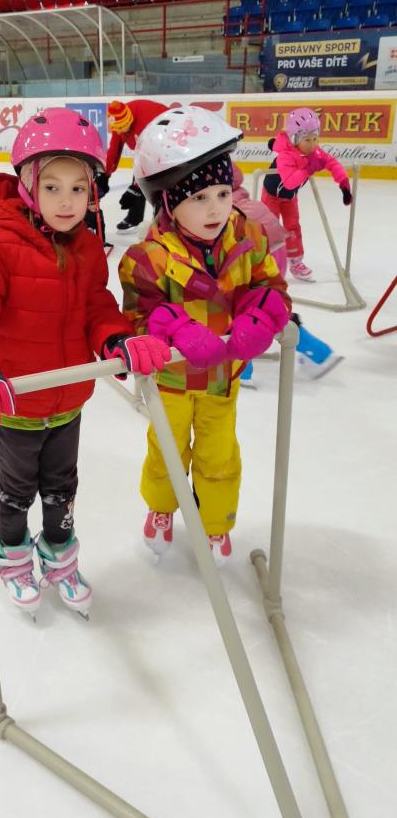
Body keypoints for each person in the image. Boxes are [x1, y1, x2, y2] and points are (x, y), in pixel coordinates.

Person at [0, 108, 170, 619]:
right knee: (17, 490)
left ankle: (59, 557)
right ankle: (13, 556)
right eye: (52, 188)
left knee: (63, 489)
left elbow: (96, 307)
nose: (67, 202)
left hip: (68, 403)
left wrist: (117, 340)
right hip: (17, 406)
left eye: (78, 189)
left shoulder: (86, 246)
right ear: (27, 187)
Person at [118, 106, 291, 559]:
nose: (215, 208)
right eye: (198, 198)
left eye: (222, 192)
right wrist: (172, 326)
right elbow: (136, 317)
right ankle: (161, 507)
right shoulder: (148, 258)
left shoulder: (248, 238)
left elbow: (272, 286)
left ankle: (215, 523)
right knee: (166, 450)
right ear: (170, 203)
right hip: (171, 382)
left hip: (222, 379)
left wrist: (261, 314)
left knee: (219, 454)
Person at [232, 162, 343, 381]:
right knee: (268, 306)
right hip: (275, 255)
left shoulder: (219, 208)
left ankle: (242, 370)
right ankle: (318, 352)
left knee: (235, 308)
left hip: (253, 256)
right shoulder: (241, 198)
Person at [262, 107, 352, 282]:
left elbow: (332, 163)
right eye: (307, 140)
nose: (312, 144)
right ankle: (266, 262)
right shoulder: (286, 156)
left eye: (315, 138)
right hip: (271, 196)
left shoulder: (315, 152)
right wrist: (308, 168)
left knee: (293, 227)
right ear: (295, 139)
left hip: (289, 197)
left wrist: (343, 184)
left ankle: (296, 262)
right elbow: (290, 181)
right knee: (270, 229)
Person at [106, 99, 169, 232]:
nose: (119, 133)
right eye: (116, 130)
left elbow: (152, 161)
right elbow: (114, 149)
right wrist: (105, 174)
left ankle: (162, 221)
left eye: (121, 129)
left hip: (165, 146)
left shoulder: (146, 126)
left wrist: (135, 188)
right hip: (147, 152)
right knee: (138, 179)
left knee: (160, 185)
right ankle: (134, 218)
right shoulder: (118, 119)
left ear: (129, 122)